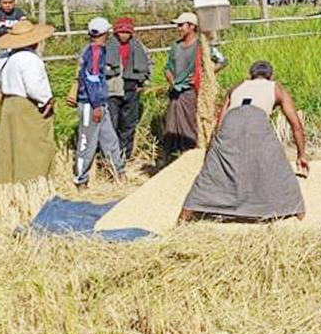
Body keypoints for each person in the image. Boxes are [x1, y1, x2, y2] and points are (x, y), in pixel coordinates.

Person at [181, 60, 310, 222]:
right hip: (257, 121)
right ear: (271, 76)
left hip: (230, 122)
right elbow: (296, 126)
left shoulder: (237, 87)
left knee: (210, 176)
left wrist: (211, 157)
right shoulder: (277, 88)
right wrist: (301, 155)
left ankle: (186, 215)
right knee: (280, 170)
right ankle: (297, 213)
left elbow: (219, 125)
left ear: (250, 76)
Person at [0, 20, 57, 184]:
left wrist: (2, 97)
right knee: (35, 144)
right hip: (28, 105)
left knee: (13, 144)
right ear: (35, 41)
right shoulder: (30, 59)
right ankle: (33, 181)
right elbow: (34, 87)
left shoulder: (5, 59)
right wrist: (46, 101)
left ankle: (11, 180)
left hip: (10, 105)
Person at [67, 17, 125, 188]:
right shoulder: (95, 52)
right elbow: (92, 80)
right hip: (91, 104)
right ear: (105, 33)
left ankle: (119, 172)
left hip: (99, 103)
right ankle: (81, 179)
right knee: (87, 141)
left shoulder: (92, 50)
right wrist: (97, 105)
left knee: (110, 139)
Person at [161, 12, 226, 156]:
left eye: (181, 25)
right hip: (176, 92)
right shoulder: (176, 46)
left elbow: (222, 61)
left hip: (191, 91)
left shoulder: (201, 45)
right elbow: (167, 68)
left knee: (189, 123)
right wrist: (171, 80)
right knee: (172, 123)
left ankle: (190, 153)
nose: (178, 28)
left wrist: (203, 75)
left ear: (191, 26)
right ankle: (172, 154)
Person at [105, 17, 150, 161]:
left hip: (132, 88)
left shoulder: (138, 47)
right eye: (121, 32)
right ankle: (112, 157)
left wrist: (143, 82)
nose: (124, 35)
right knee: (112, 124)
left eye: (127, 32)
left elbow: (148, 65)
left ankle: (125, 155)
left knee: (129, 124)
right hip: (112, 90)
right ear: (116, 33)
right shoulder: (107, 46)